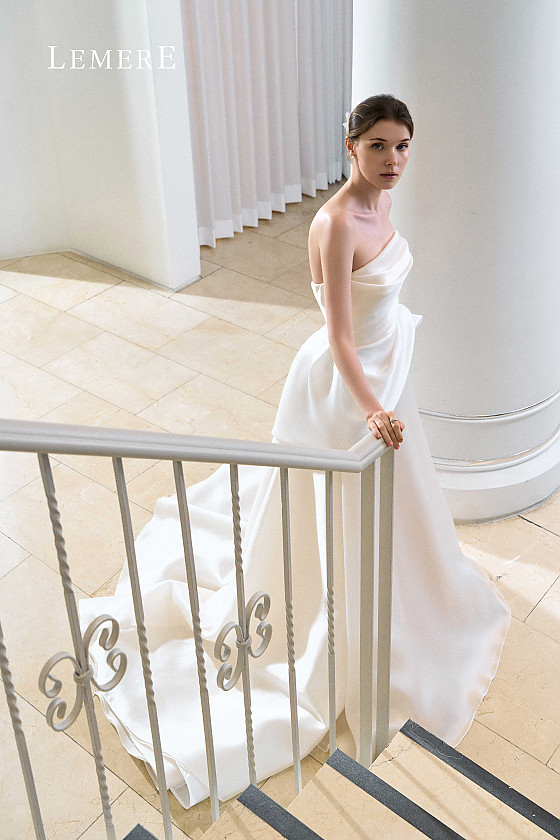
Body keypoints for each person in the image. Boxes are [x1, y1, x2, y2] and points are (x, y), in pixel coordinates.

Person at [80, 94, 511, 810]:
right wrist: (372, 408)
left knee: (399, 508)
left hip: (386, 375)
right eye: (378, 146)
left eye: (403, 146)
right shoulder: (334, 223)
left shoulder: (384, 202)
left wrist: (390, 383)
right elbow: (340, 334)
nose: (393, 160)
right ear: (351, 147)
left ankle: (411, 603)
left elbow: (379, 303)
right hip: (348, 390)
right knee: (334, 518)